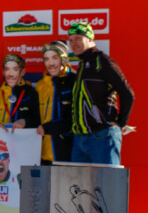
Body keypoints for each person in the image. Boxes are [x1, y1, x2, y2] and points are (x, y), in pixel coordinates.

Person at [68, 22, 135, 165]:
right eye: (71, 40)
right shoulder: (82, 65)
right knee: (79, 187)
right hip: (80, 139)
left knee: (108, 185)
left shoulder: (102, 61)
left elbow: (127, 93)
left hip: (102, 137)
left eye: (78, 38)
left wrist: (120, 123)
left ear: (90, 39)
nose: (74, 43)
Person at [35, 41, 75, 164]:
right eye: (46, 59)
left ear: (63, 58)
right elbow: (35, 118)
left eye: (55, 58)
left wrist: (48, 128)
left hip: (68, 153)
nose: (51, 64)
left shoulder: (75, 81)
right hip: (42, 155)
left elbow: (76, 119)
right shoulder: (40, 85)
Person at [0, 54, 40, 131]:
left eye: (15, 69)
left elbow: (40, 121)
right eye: (7, 69)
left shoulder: (31, 93)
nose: (10, 74)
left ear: (22, 72)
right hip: (1, 140)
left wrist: (26, 122)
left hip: (25, 141)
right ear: (3, 72)